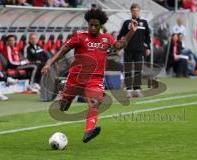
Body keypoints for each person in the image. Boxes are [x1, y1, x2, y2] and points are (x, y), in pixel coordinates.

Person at [41, 8, 138, 143]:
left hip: (95, 78)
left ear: (101, 25)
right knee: (63, 107)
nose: (93, 27)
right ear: (88, 23)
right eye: (90, 25)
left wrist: (131, 32)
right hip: (76, 76)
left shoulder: (106, 38)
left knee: (95, 102)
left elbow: (119, 45)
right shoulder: (79, 36)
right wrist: (49, 63)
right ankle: (63, 92)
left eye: (96, 25)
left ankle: (89, 131)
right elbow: (63, 50)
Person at [117, 3, 151, 98]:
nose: (135, 12)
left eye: (137, 10)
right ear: (131, 11)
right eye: (133, 10)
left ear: (139, 11)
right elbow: (120, 36)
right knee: (127, 70)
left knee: (138, 70)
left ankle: (137, 90)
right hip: (128, 50)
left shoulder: (144, 22)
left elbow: (147, 37)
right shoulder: (126, 23)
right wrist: (119, 46)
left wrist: (148, 48)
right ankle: (128, 90)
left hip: (139, 50)